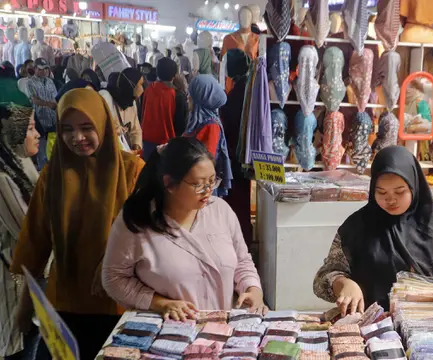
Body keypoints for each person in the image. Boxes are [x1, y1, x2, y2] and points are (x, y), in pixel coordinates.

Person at [10, 88, 145, 360]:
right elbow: (36, 243)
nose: (77, 137)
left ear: (103, 124)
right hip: (65, 304)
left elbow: (149, 236)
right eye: (67, 129)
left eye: (86, 127)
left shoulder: (133, 171)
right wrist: (25, 306)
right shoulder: (53, 174)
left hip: (119, 305)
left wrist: (111, 259)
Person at [313, 146, 433, 313]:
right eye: (381, 192)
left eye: (400, 192)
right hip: (375, 329)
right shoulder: (356, 227)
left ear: (414, 186)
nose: (390, 200)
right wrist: (342, 283)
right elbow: (324, 276)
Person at [102, 137, 267, 320]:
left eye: (212, 181)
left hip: (221, 328)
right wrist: (160, 303)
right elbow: (114, 278)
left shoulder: (220, 210)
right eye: (198, 184)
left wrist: (253, 289)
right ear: (170, 183)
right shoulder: (137, 220)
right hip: (168, 332)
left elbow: (242, 261)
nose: (208, 190)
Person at [0, 104, 40, 360]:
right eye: (30, 128)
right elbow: (29, 229)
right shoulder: (3, 178)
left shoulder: (23, 164)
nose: (38, 134)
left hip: (29, 282)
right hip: (14, 284)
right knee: (20, 347)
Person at [220, 49, 252, 244]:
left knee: (238, 203)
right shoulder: (242, 87)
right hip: (237, 155)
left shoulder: (240, 91)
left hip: (236, 155)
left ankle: (240, 242)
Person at [184, 75, 231, 196]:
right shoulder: (196, 121)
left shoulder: (211, 126)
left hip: (202, 189)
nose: (188, 98)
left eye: (191, 95)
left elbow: (206, 161)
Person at [141, 57, 188, 160]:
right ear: (174, 75)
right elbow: (181, 125)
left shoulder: (148, 90)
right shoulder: (177, 95)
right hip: (168, 145)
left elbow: (142, 113)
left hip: (147, 142)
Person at [99, 69, 144, 152]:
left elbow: (135, 128)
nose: (142, 89)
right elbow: (102, 129)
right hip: (109, 151)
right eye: (140, 84)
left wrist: (136, 145)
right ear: (130, 85)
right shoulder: (105, 99)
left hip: (126, 151)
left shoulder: (130, 101)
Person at [27, 58, 58, 170]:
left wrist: (56, 107)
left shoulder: (50, 81)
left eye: (46, 69)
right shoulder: (30, 82)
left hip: (52, 118)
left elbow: (55, 98)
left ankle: (52, 170)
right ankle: (42, 173)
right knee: (41, 149)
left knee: (52, 148)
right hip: (39, 119)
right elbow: (34, 100)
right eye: (41, 69)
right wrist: (48, 104)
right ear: (35, 69)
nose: (44, 71)